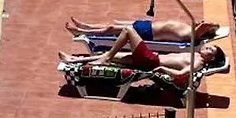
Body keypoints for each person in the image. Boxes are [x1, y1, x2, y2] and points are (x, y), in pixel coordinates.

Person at [60, 26, 225, 83]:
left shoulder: (198, 63)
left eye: (211, 50)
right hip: (149, 59)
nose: (207, 48)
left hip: (151, 60)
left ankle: (106, 57)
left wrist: (162, 69)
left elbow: (181, 74)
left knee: (128, 30)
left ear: (211, 58)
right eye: (210, 47)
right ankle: (74, 60)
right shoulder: (196, 55)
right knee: (111, 54)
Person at [65, 17, 221, 43]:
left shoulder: (191, 34)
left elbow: (206, 25)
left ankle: (82, 32)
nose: (200, 22)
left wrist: (214, 25)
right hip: (147, 25)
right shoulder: (189, 28)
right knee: (112, 24)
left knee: (111, 28)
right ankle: (86, 26)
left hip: (148, 32)